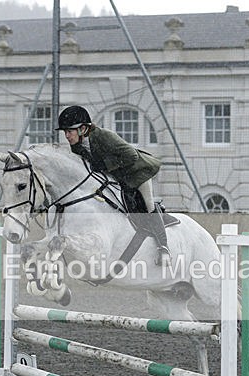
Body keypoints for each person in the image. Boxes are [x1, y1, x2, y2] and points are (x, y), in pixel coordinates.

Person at [56, 105, 171, 266]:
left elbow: (131, 155)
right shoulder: (77, 145)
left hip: (137, 173)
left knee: (148, 205)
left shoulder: (104, 136)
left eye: (69, 131)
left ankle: (164, 247)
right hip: (115, 177)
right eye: (65, 132)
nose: (67, 136)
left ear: (83, 129)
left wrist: (104, 165)